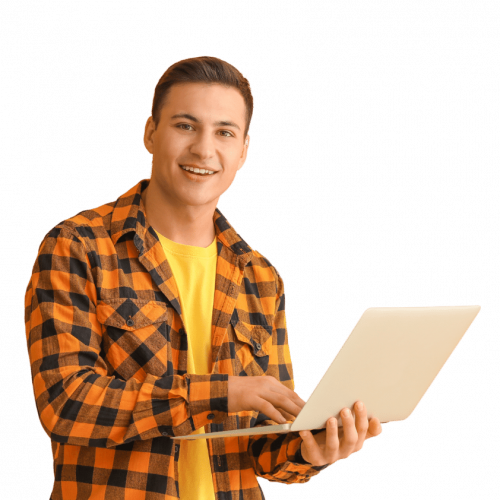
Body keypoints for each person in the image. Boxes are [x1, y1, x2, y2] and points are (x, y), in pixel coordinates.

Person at [24, 55, 383, 500]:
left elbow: (268, 448)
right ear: (150, 133)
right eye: (185, 126)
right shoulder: (77, 245)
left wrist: (315, 448)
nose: (204, 150)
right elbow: (66, 404)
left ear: (243, 152)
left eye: (224, 132)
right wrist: (222, 393)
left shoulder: (260, 275)